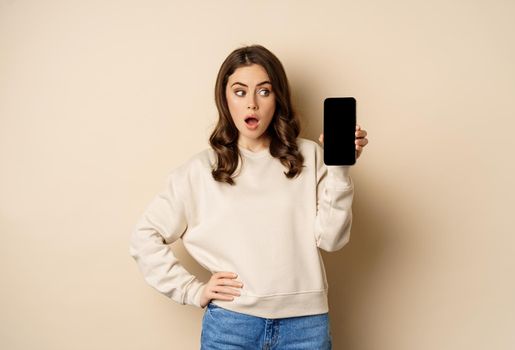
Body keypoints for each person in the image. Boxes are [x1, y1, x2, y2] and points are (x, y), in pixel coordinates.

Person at [129, 44, 369, 350]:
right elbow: (144, 237)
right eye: (240, 92)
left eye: (264, 91)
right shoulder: (200, 170)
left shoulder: (310, 156)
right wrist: (192, 290)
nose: (252, 104)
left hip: (306, 327)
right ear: (225, 98)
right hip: (231, 326)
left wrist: (340, 170)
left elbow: (333, 240)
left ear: (277, 97)